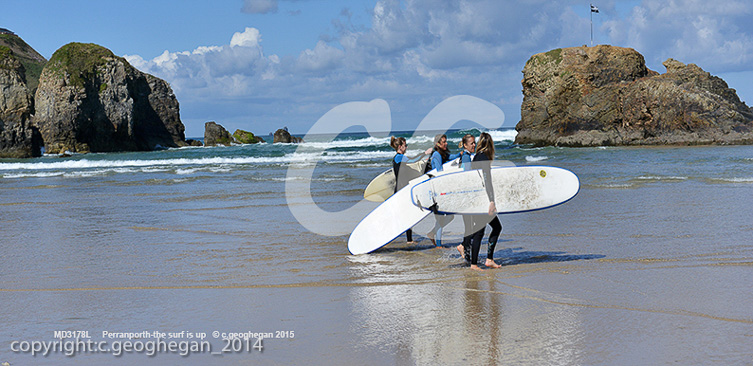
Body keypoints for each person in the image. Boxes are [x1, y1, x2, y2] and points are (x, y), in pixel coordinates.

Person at [466, 132, 502, 270]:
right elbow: (487, 181)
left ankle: (483, 261)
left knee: (480, 231)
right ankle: (479, 263)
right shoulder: (484, 158)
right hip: (482, 201)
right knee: (488, 230)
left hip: (476, 199)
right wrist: (491, 201)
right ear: (490, 145)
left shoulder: (476, 157)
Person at [390, 136, 433, 244]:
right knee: (400, 216)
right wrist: (425, 153)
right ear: (400, 147)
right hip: (400, 191)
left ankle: (409, 239)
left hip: (404, 190)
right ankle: (389, 237)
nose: (407, 147)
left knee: (406, 215)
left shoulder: (400, 158)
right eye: (405, 145)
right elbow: (413, 160)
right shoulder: (399, 157)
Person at [427, 134, 462, 246]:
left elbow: (451, 157)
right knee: (441, 217)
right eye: (443, 142)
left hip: (439, 189)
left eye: (446, 141)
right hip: (436, 190)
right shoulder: (437, 155)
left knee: (449, 216)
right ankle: (438, 244)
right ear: (438, 144)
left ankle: (433, 234)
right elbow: (438, 172)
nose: (446, 143)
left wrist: (460, 154)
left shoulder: (442, 154)